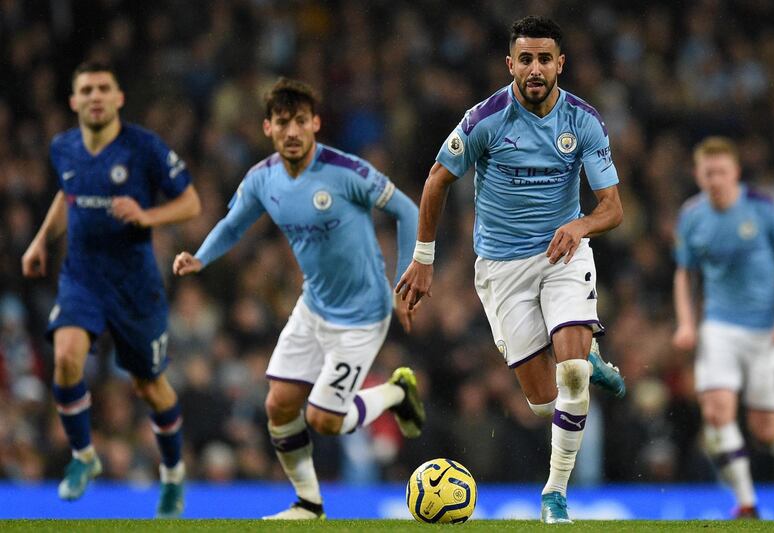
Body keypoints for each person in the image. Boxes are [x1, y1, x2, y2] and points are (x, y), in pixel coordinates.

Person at [396, 16, 625, 524]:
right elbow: (436, 180)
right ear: (511, 65)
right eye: (526, 59)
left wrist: (581, 226)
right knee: (546, 403)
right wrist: (424, 260)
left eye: (545, 58)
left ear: (560, 64)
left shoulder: (584, 121)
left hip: (563, 254)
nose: (536, 68)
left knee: (569, 374)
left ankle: (555, 495)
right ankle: (592, 359)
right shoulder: (485, 119)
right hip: (500, 268)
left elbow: (612, 207)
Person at [173, 77, 425, 520]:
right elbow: (233, 224)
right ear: (268, 127)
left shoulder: (346, 171)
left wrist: (406, 283)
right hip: (313, 306)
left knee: (325, 420)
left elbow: (407, 210)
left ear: (316, 124)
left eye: (301, 121)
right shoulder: (261, 179)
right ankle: (308, 504)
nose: (292, 131)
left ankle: (394, 393)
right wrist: (200, 257)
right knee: (278, 405)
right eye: (283, 122)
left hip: (363, 314)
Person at [20, 61, 201, 518]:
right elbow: (68, 194)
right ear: (74, 101)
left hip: (135, 288)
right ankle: (84, 457)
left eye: (104, 88)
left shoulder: (143, 148)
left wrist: (147, 216)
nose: (96, 95)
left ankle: (174, 474)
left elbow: (191, 202)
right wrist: (42, 239)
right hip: (82, 278)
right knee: (64, 357)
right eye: (87, 89)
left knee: (149, 387)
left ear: (119, 98)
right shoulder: (63, 148)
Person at [672, 137, 774, 519]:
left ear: (736, 173)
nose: (715, 180)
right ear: (697, 174)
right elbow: (684, 273)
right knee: (716, 411)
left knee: (766, 428)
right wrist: (686, 323)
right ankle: (746, 504)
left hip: (769, 328)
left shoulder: (765, 207)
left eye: (721, 173)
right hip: (719, 326)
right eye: (708, 173)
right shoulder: (691, 215)